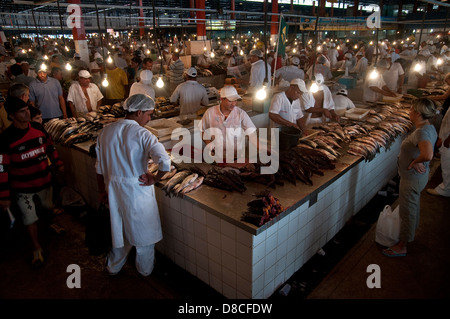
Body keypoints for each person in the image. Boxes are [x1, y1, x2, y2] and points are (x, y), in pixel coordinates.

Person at [95, 94, 171, 276]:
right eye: (149, 114)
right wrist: (155, 178)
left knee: (119, 231)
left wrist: (102, 192)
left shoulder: (105, 131)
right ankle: (144, 271)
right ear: (139, 112)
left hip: (113, 191)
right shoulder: (143, 134)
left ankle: (113, 267)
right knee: (144, 236)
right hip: (137, 191)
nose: (149, 118)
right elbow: (165, 163)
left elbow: (98, 168)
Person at [0, 95, 64, 267]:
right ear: (12, 116)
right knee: (30, 218)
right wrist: (4, 195)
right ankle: (36, 247)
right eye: (22, 112)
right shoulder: (6, 139)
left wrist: (58, 163)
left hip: (44, 180)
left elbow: (50, 146)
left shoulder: (38, 128)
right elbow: (2, 169)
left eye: (27, 109)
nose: (27, 113)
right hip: (22, 187)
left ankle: (51, 225)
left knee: (48, 207)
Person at [382, 98, 438, 257]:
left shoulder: (421, 132)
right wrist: (419, 161)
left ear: (419, 114)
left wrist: (414, 162)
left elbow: (428, 153)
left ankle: (402, 246)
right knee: (412, 208)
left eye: (412, 109)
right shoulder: (429, 127)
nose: (409, 111)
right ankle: (410, 233)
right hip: (418, 177)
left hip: (411, 179)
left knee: (407, 211)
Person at [199, 85, 256, 160]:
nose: (234, 104)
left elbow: (251, 133)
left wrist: (261, 147)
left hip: (237, 156)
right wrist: (208, 143)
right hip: (217, 156)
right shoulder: (210, 112)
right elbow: (203, 130)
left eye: (235, 100)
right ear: (222, 99)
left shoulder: (240, 113)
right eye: (230, 101)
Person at [427, 103, 450, 197]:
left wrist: (448, 139)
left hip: (448, 141)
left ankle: (446, 189)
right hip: (445, 136)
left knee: (447, 165)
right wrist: (441, 137)